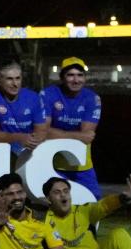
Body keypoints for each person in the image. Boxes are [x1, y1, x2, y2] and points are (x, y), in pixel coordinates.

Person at [40, 57, 103, 197]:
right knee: (54, 207)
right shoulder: (48, 94)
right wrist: (76, 135)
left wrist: (56, 132)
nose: (76, 80)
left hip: (81, 165)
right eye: (71, 75)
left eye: (80, 75)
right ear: (62, 77)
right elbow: (42, 131)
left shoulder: (92, 98)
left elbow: (86, 137)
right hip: (52, 164)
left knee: (93, 202)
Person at [0, 58, 48, 163]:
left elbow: (41, 130)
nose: (15, 84)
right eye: (9, 79)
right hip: (0, 155)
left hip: (30, 152)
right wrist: (19, 138)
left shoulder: (33, 97)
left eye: (18, 78)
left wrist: (31, 143)